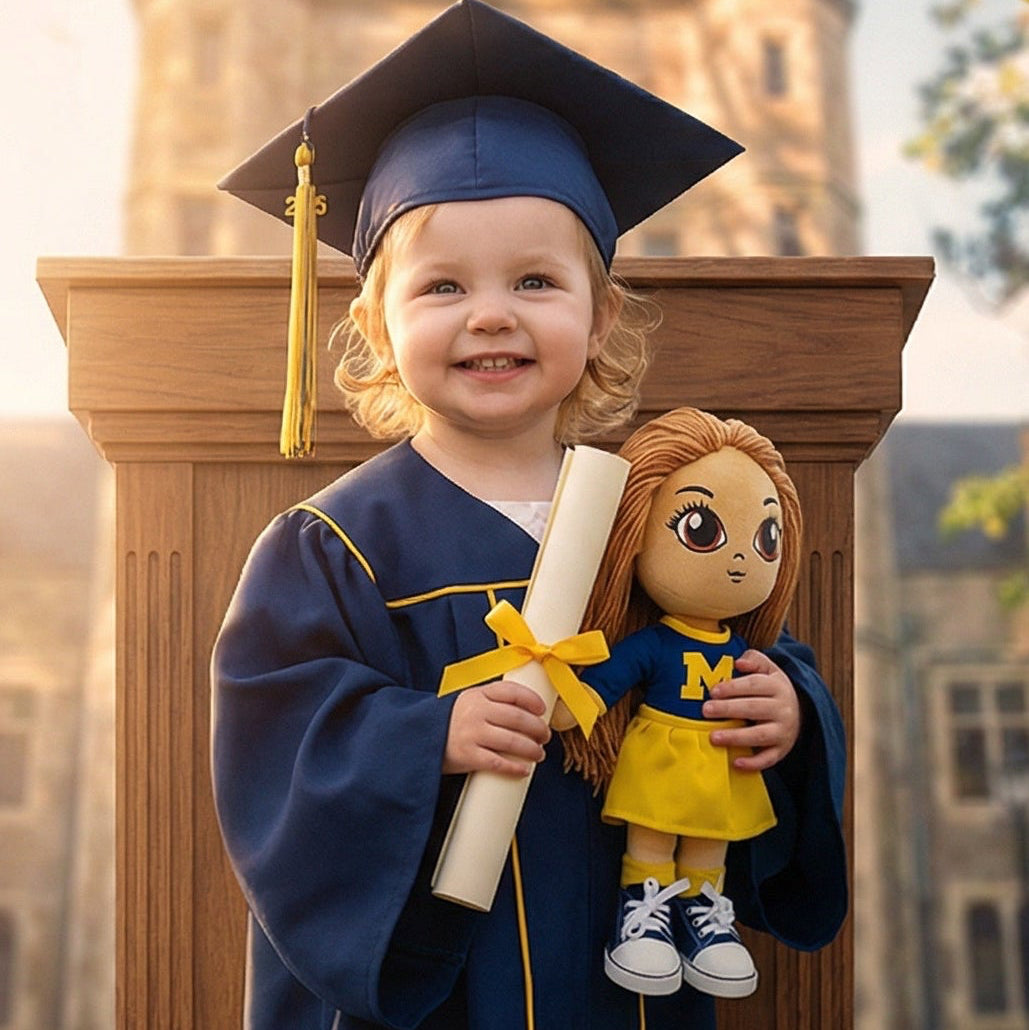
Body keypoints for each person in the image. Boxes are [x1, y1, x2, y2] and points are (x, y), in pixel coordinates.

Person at [212, 2, 847, 1028]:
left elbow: (737, 636)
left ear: (600, 318)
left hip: (624, 973)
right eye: (444, 285)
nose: (492, 312)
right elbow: (275, 747)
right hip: (443, 989)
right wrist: (427, 737)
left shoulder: (655, 518)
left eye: (537, 280)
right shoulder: (332, 547)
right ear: (375, 321)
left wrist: (786, 711)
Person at [555, 408, 805, 1001]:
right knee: (652, 839)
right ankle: (642, 907)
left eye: (766, 538)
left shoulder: (745, 645)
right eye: (702, 530)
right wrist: (574, 703)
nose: (743, 558)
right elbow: (608, 680)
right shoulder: (654, 642)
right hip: (661, 755)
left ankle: (703, 913)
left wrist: (789, 705)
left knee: (707, 845)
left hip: (718, 762)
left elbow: (780, 673)